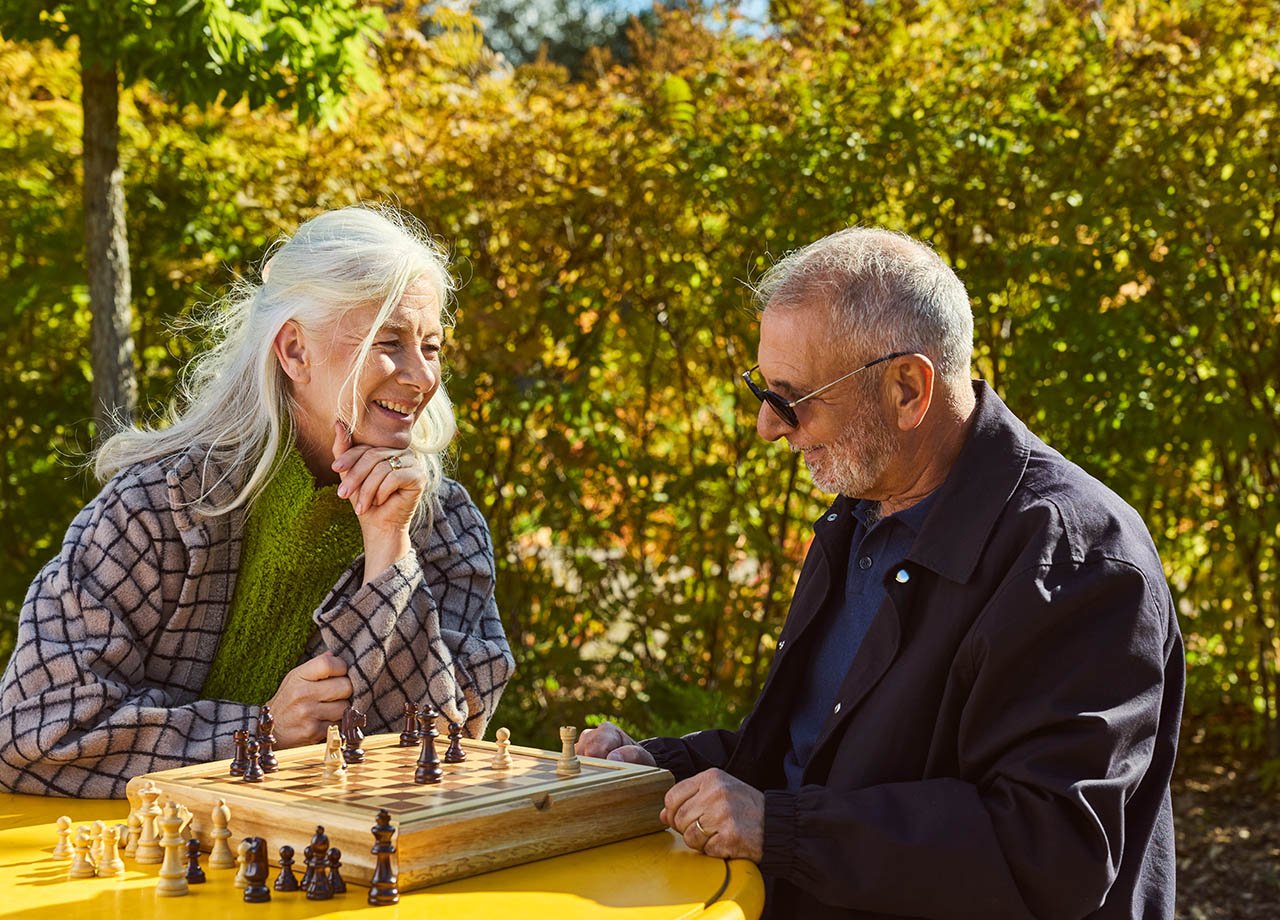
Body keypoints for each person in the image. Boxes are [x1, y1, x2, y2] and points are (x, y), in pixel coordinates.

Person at [579, 228, 1184, 919]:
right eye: (762, 390)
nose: (767, 427)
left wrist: (781, 829)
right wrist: (666, 769)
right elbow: (817, 759)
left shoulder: (1075, 558)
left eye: (791, 396)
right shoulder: (861, 515)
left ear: (907, 389)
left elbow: (1047, 854)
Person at [0, 206, 514, 799]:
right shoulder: (156, 509)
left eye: (431, 346)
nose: (421, 376)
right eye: (389, 341)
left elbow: (436, 755)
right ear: (295, 350)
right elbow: (36, 735)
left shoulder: (443, 525)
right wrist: (260, 730)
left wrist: (389, 552)